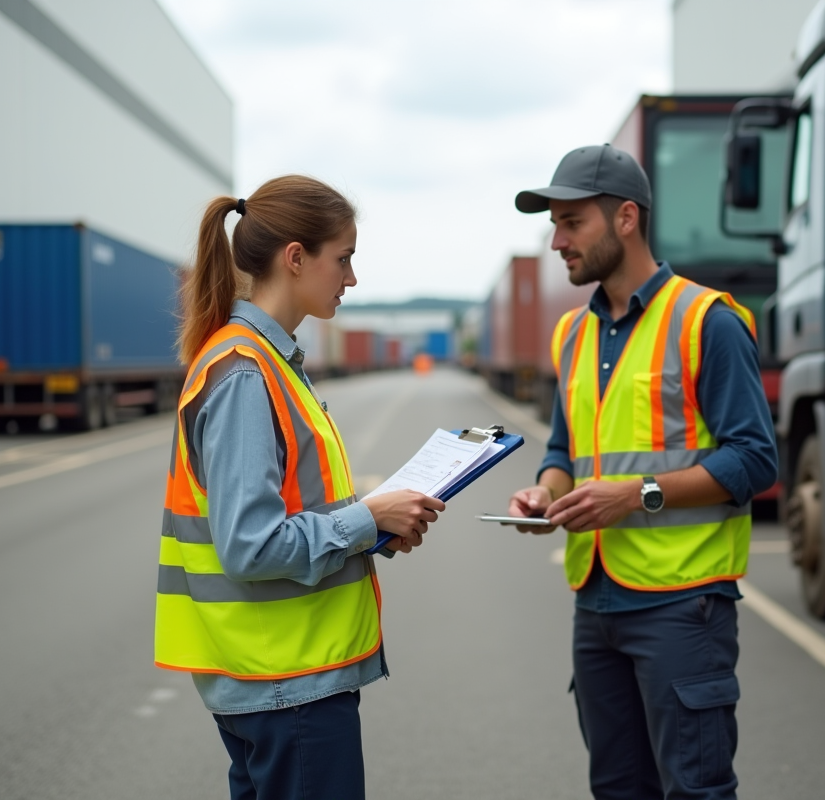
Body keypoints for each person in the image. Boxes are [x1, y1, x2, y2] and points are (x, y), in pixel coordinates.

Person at [155, 175, 444, 800]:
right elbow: (251, 546)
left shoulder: (261, 361)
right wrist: (367, 519)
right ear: (295, 258)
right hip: (286, 685)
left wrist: (378, 526)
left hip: (275, 682)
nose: (351, 279)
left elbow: (295, 511)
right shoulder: (246, 376)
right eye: (343, 259)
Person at [507, 145, 777, 800]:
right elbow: (565, 453)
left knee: (694, 790)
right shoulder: (573, 334)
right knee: (619, 788)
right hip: (595, 604)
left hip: (682, 606)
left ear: (625, 218)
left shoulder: (706, 321)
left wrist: (638, 495)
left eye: (572, 222)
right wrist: (545, 495)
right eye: (555, 224)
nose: (556, 241)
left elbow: (755, 459)